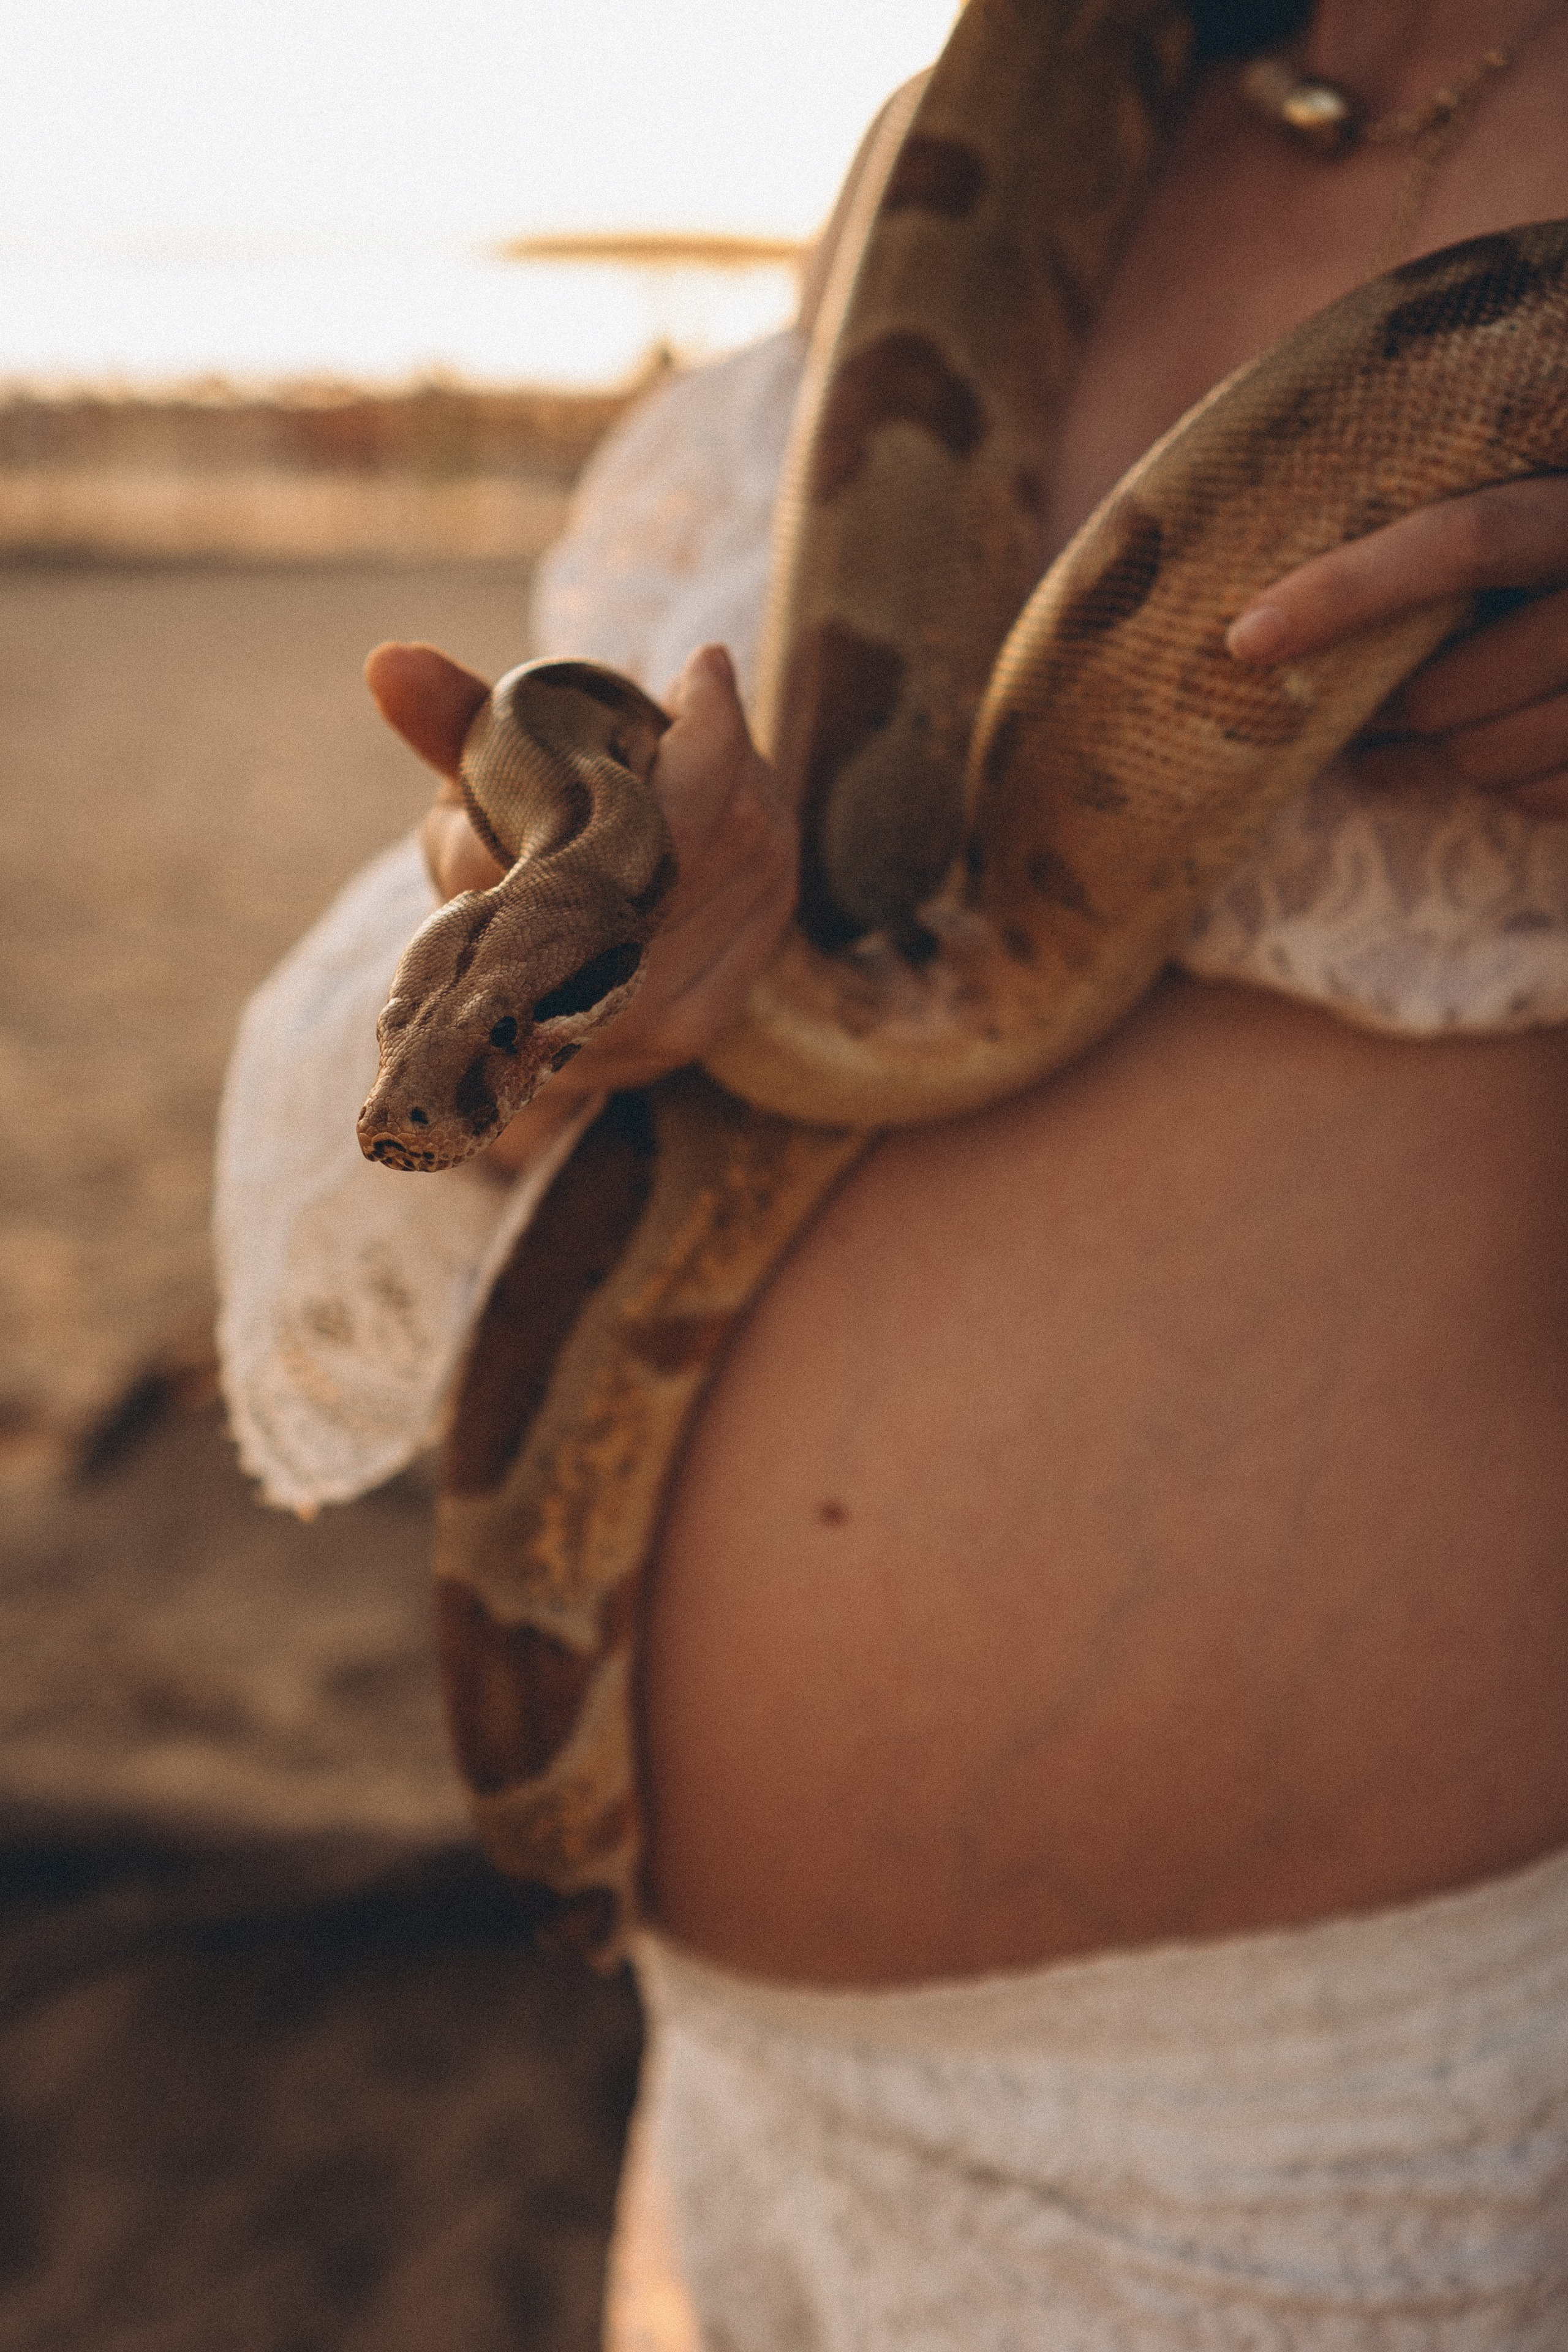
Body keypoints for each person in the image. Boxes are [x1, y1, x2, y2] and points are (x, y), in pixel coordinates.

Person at [218, 2, 1568, 2339]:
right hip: (743, 2111)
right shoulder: (961, 140)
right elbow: (703, 851)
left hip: (1330, 2140)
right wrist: (623, 900)